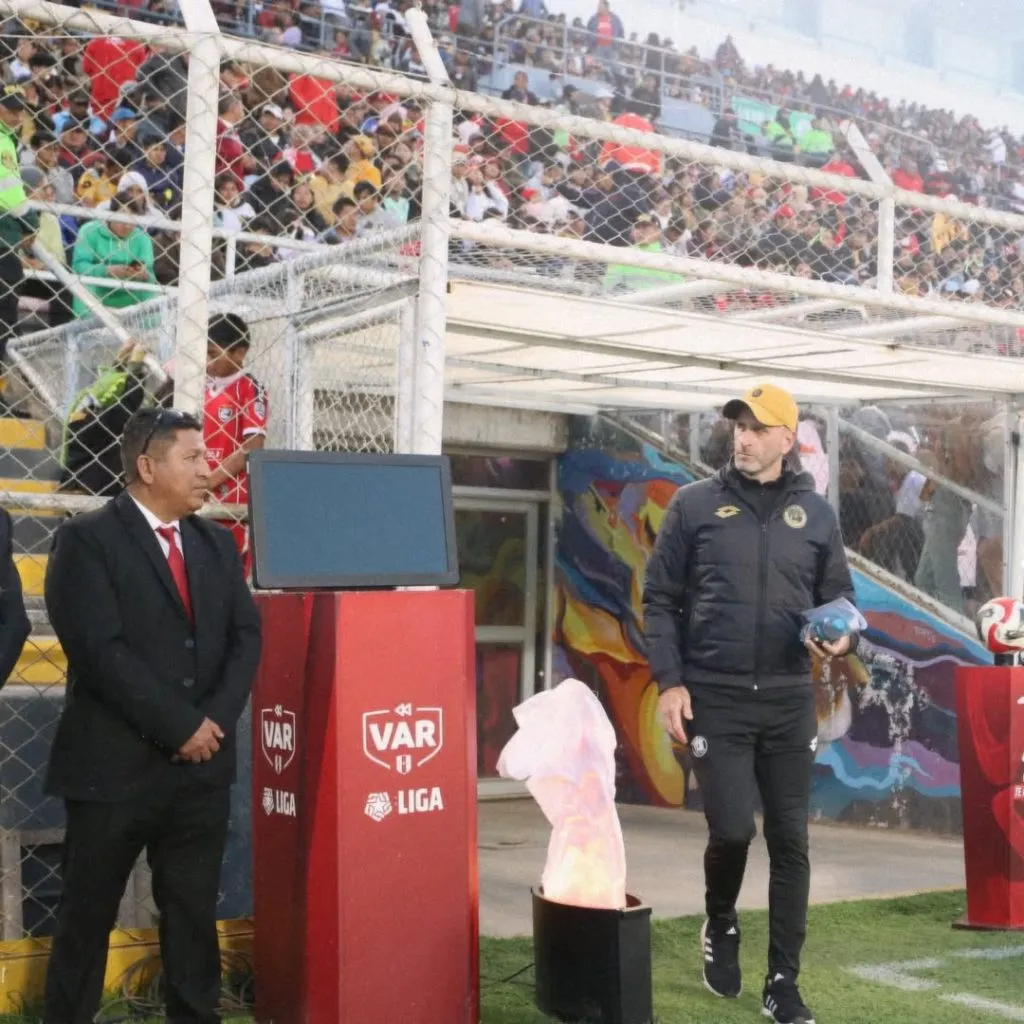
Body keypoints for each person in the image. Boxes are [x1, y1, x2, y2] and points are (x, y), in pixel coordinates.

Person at [642, 383, 857, 1024]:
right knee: (733, 830)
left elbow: (841, 601)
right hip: (716, 698)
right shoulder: (693, 505)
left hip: (789, 701)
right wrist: (671, 682)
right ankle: (721, 919)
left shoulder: (817, 514)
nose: (743, 438)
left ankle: (782, 983)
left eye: (758, 428)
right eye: (739, 426)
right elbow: (660, 600)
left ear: (787, 439)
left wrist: (843, 637)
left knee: (791, 840)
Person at [42, 407, 263, 1024]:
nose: (208, 470)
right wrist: (180, 727)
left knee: (192, 912)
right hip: (112, 769)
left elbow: (246, 636)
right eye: (192, 458)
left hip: (200, 769)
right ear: (147, 466)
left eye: (206, 457)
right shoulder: (87, 540)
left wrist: (212, 724)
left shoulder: (215, 544)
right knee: (87, 914)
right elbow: (98, 650)